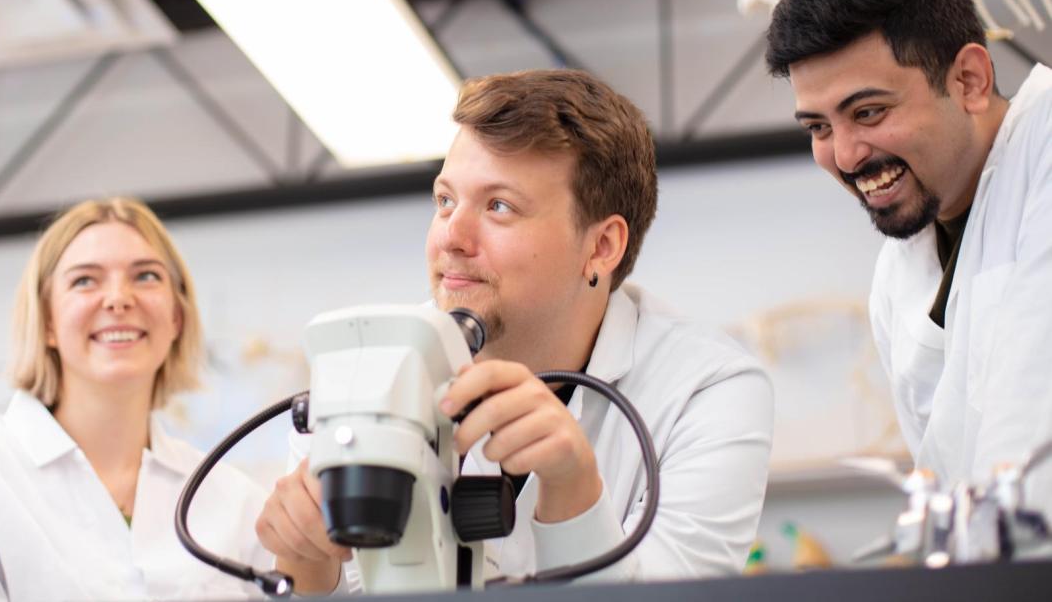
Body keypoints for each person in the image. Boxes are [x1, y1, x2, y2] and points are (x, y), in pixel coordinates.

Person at [255, 69, 774, 592]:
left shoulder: (707, 389)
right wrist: (306, 564)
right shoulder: (368, 369)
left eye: (499, 206)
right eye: (445, 201)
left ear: (601, 247)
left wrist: (573, 488)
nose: (451, 237)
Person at [766, 0, 1052, 502]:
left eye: (868, 112)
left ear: (967, 79)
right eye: (818, 128)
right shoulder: (898, 274)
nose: (845, 157)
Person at [0, 197, 272, 600]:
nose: (118, 299)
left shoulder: (234, 499)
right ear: (47, 321)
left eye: (146, 276)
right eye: (85, 280)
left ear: (176, 318)